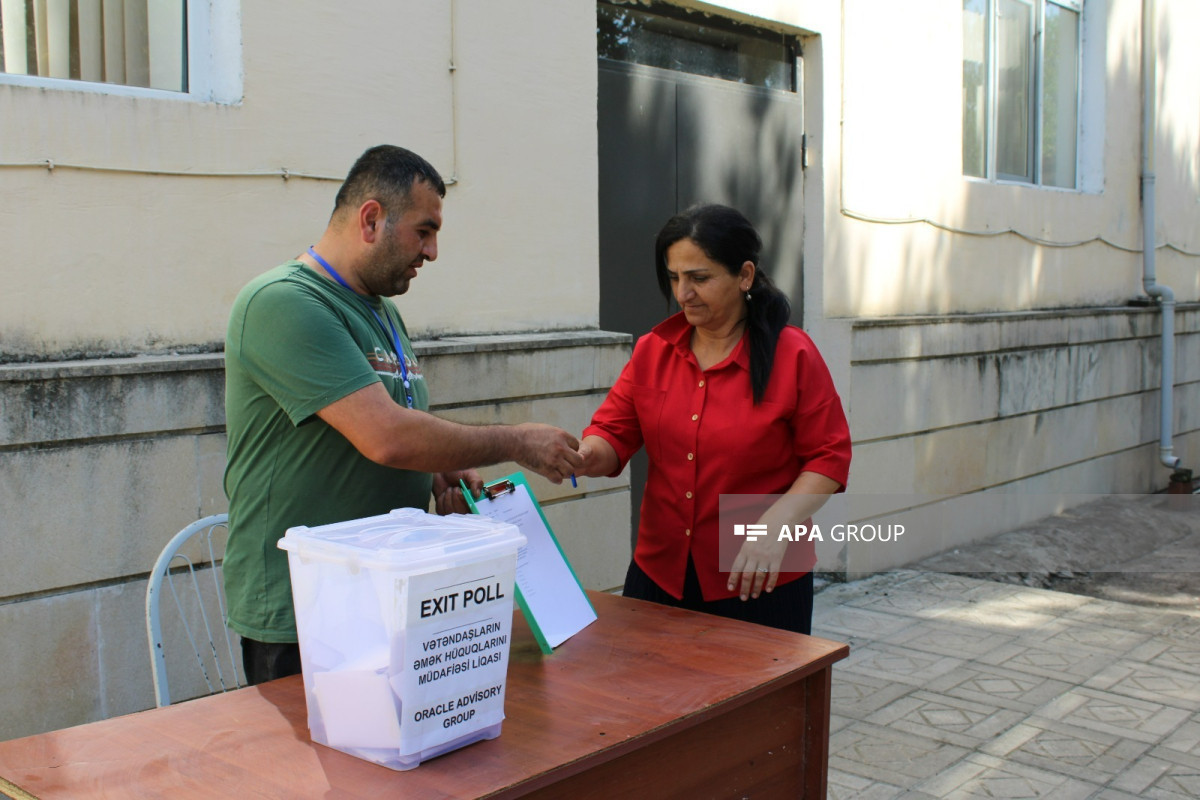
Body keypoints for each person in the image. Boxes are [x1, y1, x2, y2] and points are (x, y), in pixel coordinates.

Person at [223, 145, 582, 684]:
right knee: (324, 769)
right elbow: (385, 436)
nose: (433, 252)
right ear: (371, 219)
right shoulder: (284, 303)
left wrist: (436, 467)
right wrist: (515, 441)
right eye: (424, 230)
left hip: (388, 594)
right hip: (306, 612)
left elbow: (389, 426)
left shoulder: (383, 310)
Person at [576, 204, 851, 634]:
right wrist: (580, 455)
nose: (683, 293)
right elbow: (612, 434)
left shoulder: (792, 354)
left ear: (744, 276)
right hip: (661, 571)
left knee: (760, 702)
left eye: (699, 278)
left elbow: (828, 457)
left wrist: (776, 526)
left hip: (760, 574)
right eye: (674, 278)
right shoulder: (654, 350)